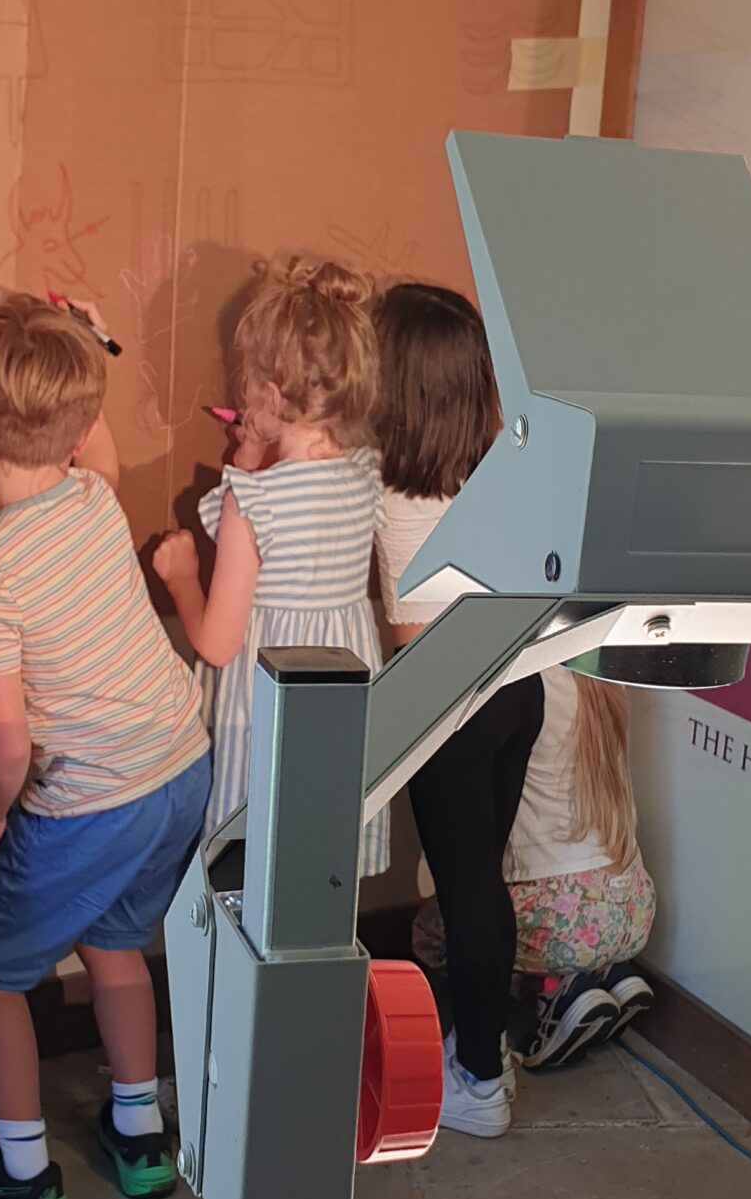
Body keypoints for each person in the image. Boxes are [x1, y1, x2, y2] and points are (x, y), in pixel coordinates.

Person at [0, 295, 211, 1199]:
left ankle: (24, 1173)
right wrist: (94, 336)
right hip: (178, 767)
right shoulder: (92, 496)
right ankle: (140, 1137)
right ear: (82, 430)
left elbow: (7, 742)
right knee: (114, 939)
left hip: (89, 802)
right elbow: (105, 450)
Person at [152, 253, 390, 877]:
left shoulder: (249, 501)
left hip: (270, 707)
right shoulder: (365, 472)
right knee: (318, 878)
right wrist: (256, 448)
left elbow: (218, 642)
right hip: (340, 697)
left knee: (251, 875)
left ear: (272, 393)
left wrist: (181, 575)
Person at [372, 282, 542, 1138]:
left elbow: (406, 624)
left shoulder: (380, 481)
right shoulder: (496, 471)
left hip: (449, 696)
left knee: (470, 887)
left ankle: (478, 1079)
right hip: (519, 687)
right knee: (483, 881)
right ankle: (484, 1054)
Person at [415, 667, 659, 1073]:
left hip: (562, 915)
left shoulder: (527, 688)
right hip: (632, 904)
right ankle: (603, 972)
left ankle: (553, 989)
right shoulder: (608, 682)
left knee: (435, 930)